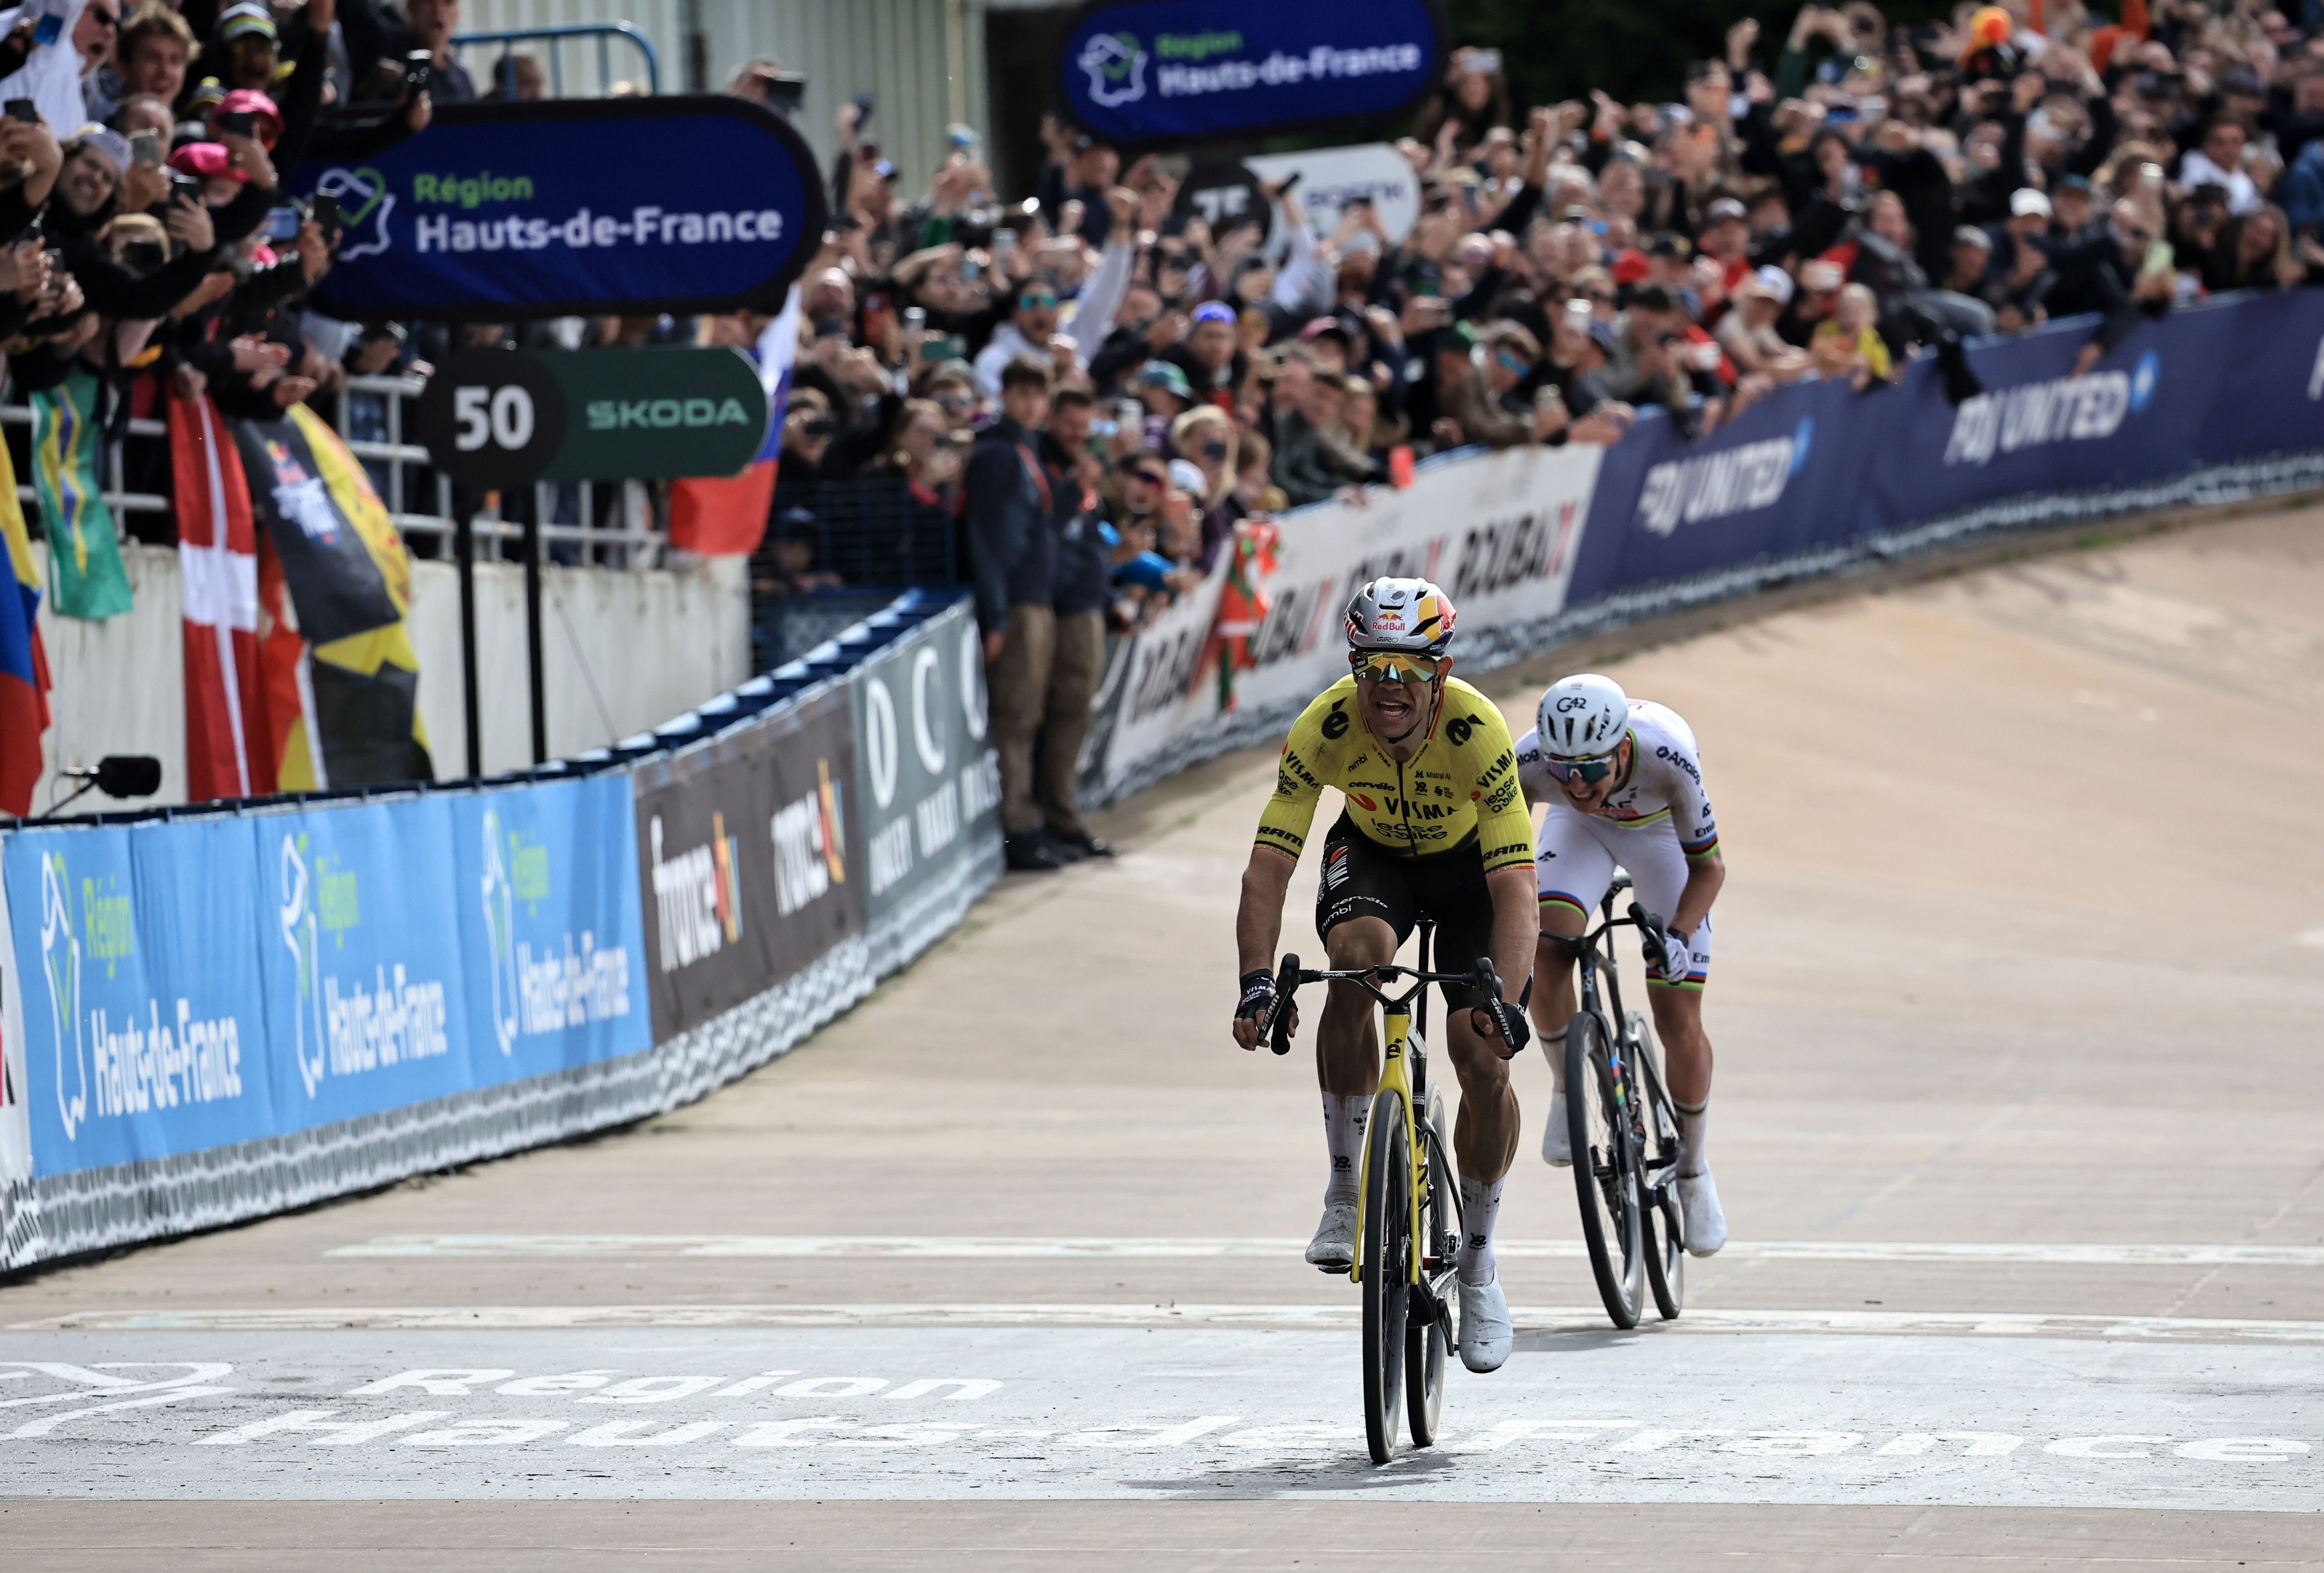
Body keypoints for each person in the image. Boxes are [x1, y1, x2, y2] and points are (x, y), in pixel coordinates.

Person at [1229, 578, 1536, 1376]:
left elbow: (1515, 889)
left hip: (1468, 872)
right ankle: (1342, 1188)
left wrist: (1502, 1001)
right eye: (1373, 666)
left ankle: (1476, 1261)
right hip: (1373, 857)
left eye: (1409, 668)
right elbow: (1267, 866)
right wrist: (1256, 981)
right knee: (1354, 962)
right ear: (1353, 665)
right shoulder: (1323, 726)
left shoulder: (1477, 729)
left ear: (1441, 669)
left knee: (1482, 1058)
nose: (1389, 687)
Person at [1516, 672, 1728, 1256]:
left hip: (1659, 836)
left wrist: (1679, 935)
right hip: (1577, 834)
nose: (1575, 782)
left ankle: (1691, 1170)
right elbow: (1493, 851)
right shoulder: (1531, 761)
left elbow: (1709, 870)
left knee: (1676, 1016)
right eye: (1562, 771)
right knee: (1548, 949)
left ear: (1622, 748)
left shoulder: (1667, 756)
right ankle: (1568, 1085)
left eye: (1589, 770)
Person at [964, 355, 1067, 873]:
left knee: (1030, 716)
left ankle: (1030, 819)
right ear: (1003, 396)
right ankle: (1017, 828)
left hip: (1037, 600)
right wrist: (997, 614)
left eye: (1038, 394)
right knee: (1015, 717)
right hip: (1018, 605)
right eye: (1020, 393)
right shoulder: (999, 455)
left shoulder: (1025, 449)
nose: (1029, 403)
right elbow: (989, 541)